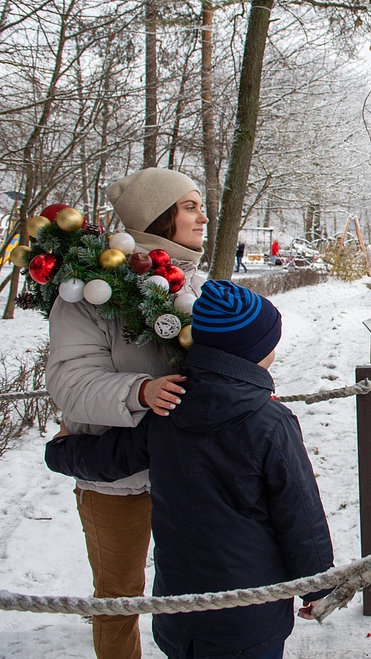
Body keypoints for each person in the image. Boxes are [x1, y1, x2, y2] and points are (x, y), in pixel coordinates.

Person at [46, 280, 335, 659]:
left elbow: (111, 458)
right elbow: (300, 514)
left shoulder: (166, 411)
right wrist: (319, 586)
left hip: (178, 615)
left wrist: (61, 451)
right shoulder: (270, 423)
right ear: (254, 353)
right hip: (249, 616)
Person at [45, 167, 209, 659]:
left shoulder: (193, 283)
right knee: (118, 595)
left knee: (201, 586)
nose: (203, 217)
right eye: (189, 207)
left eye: (199, 206)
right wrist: (140, 392)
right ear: (160, 218)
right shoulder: (91, 292)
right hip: (116, 475)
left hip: (185, 468)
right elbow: (68, 383)